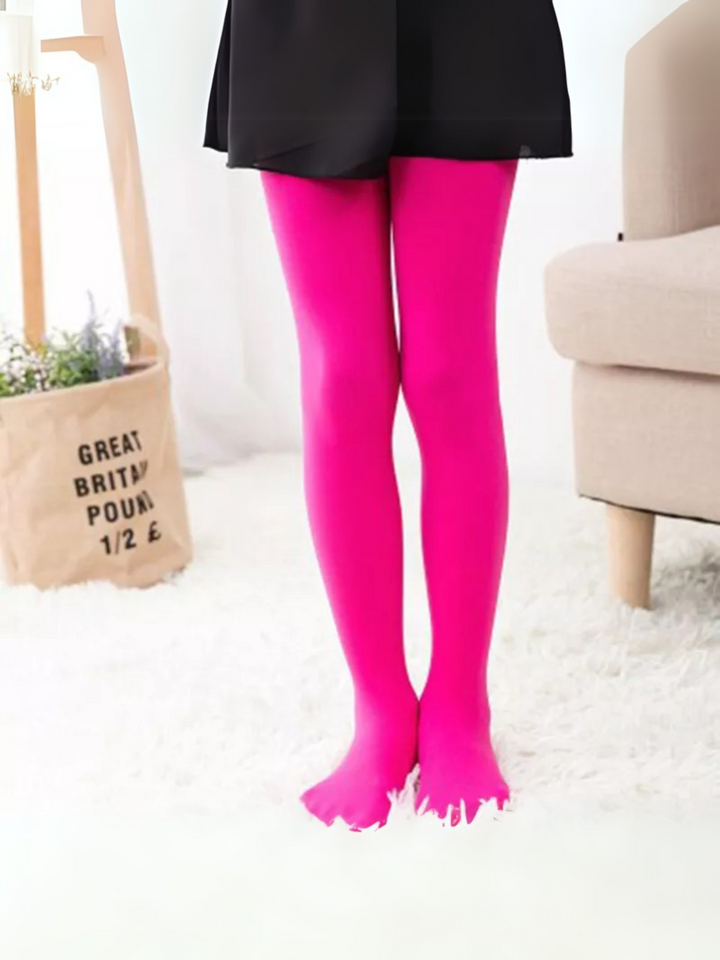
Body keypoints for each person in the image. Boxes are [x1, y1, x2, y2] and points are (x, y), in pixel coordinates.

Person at [204, 0, 572, 829]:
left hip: (469, 19)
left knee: (450, 374)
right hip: (302, 20)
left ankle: (459, 704)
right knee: (343, 379)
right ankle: (379, 708)